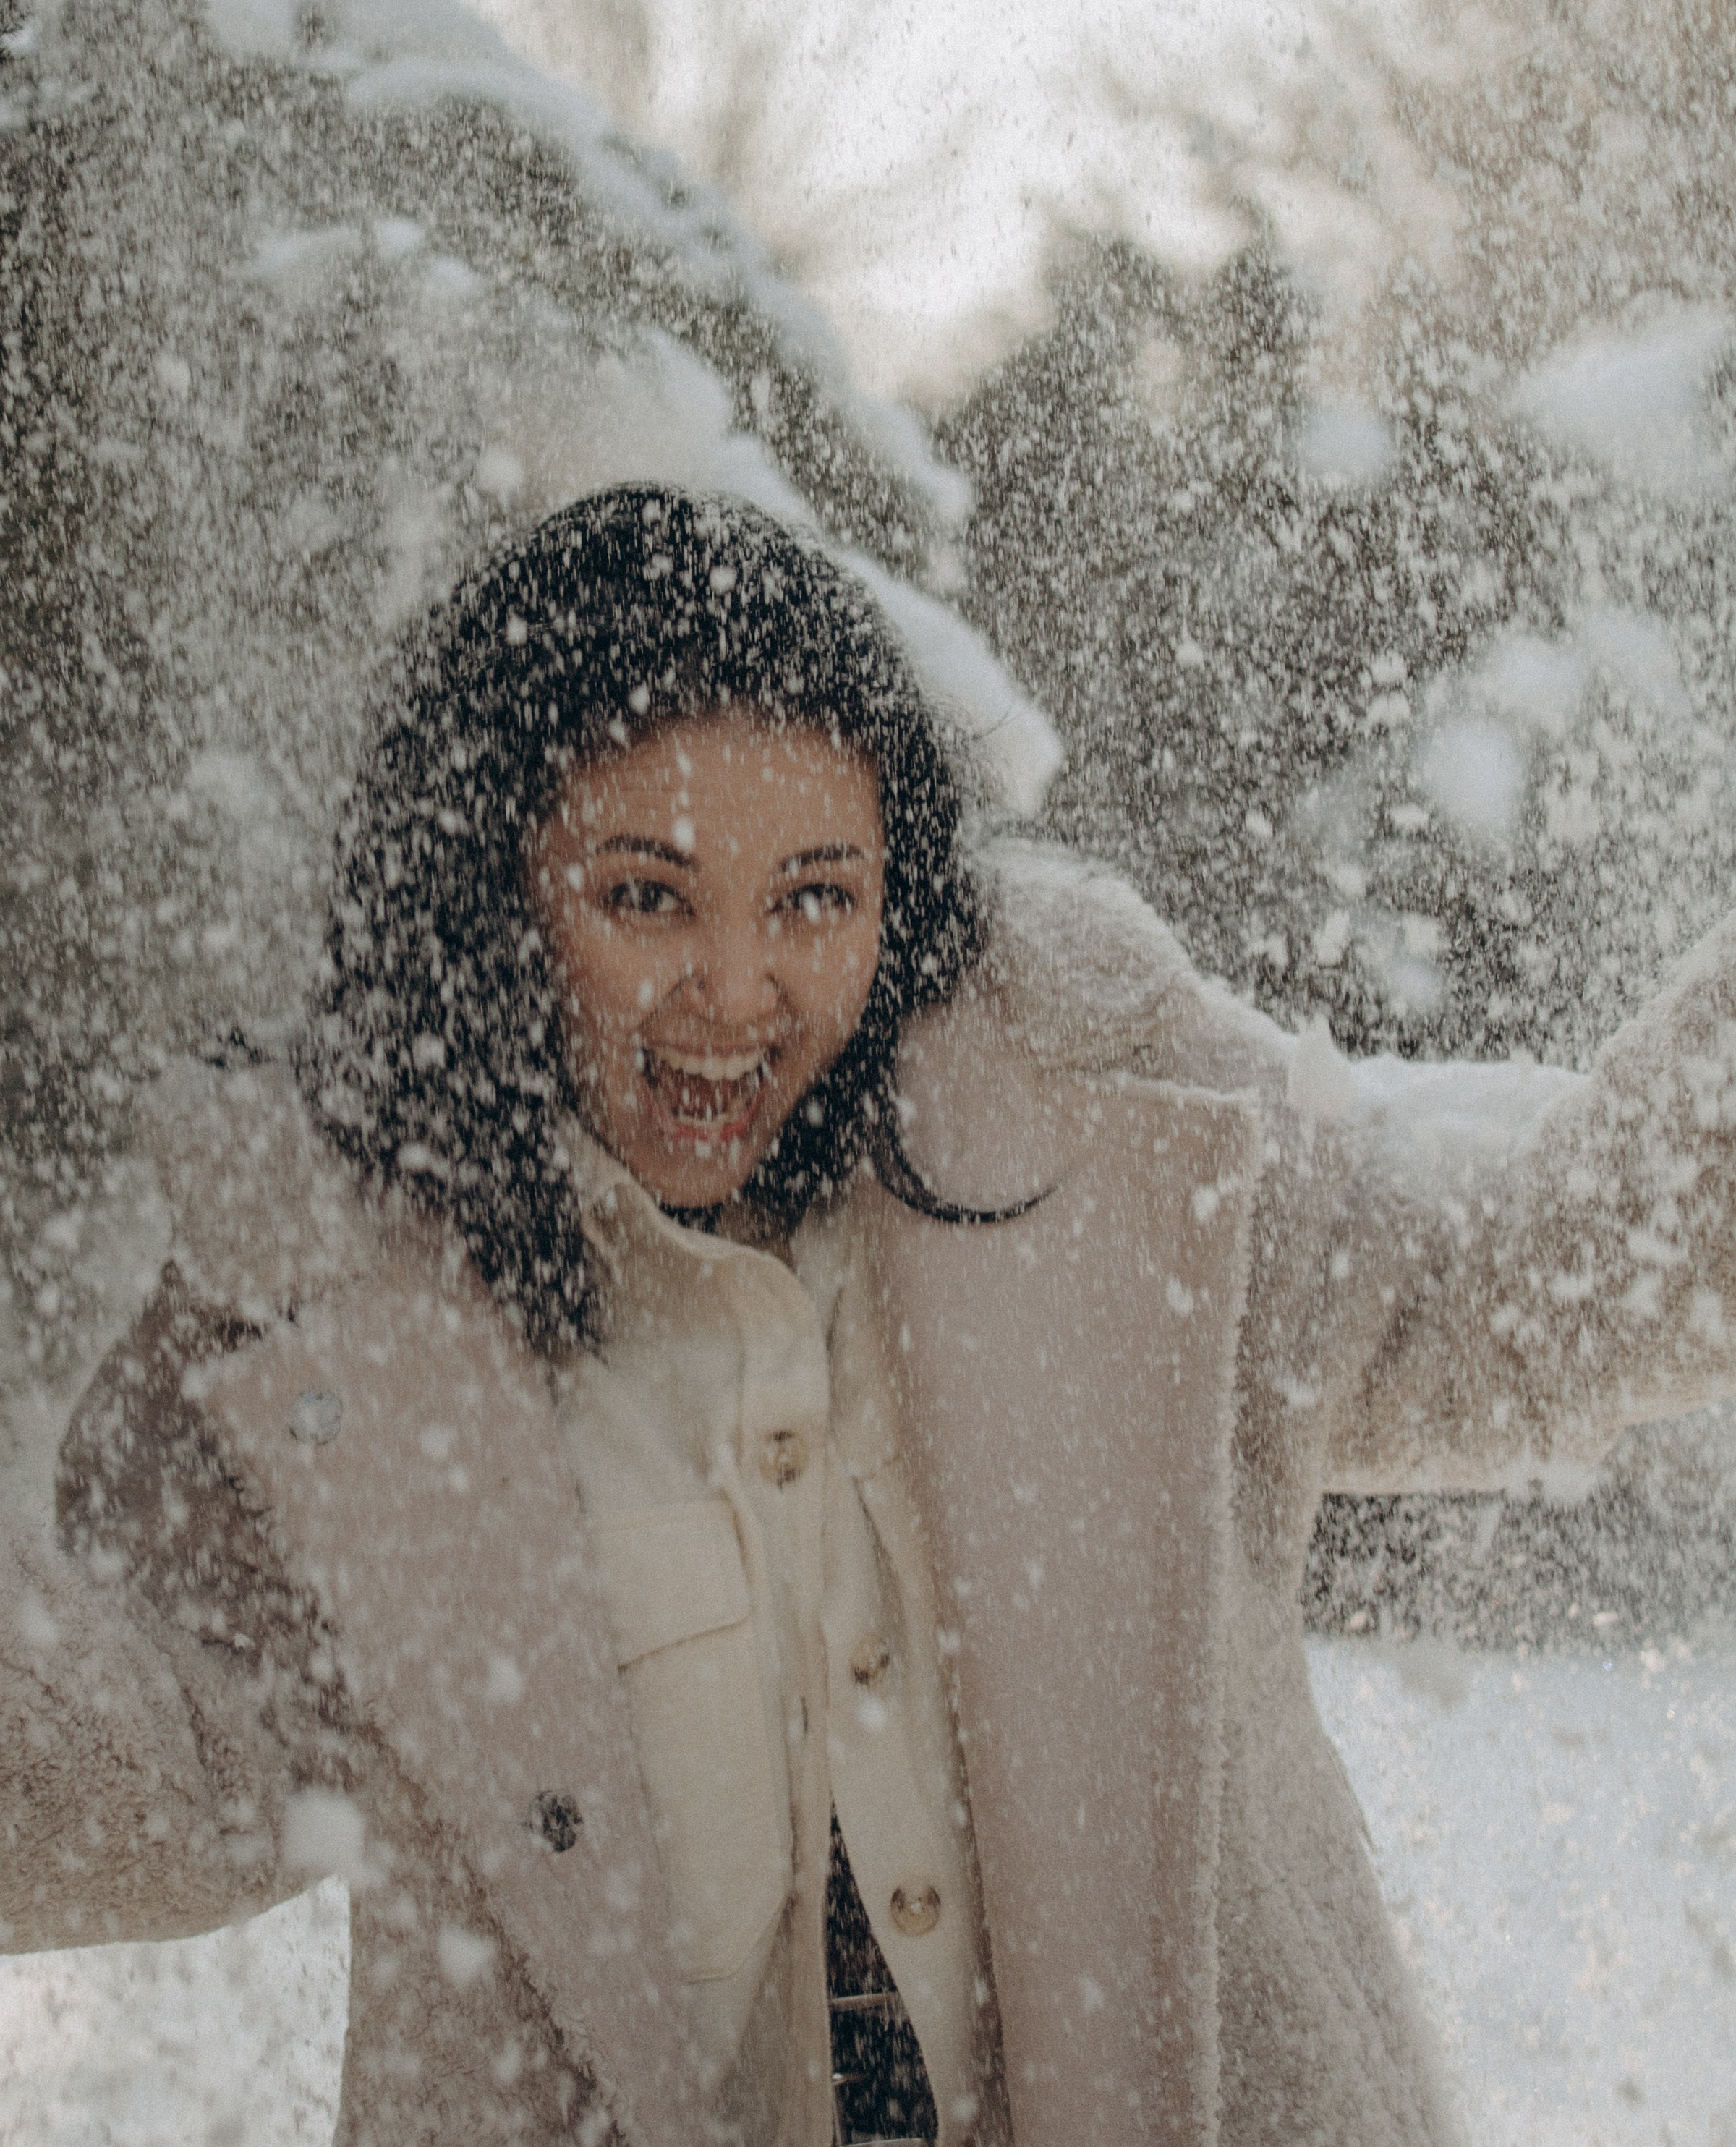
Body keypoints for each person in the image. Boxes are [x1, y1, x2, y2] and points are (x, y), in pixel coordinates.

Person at [6, 485, 1736, 2147]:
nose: (737, 990)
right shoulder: (326, 1324)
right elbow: (158, 1767)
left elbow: (1520, 1293)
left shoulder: (1097, 1137)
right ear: (491, 892)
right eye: (646, 897)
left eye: (816, 899)